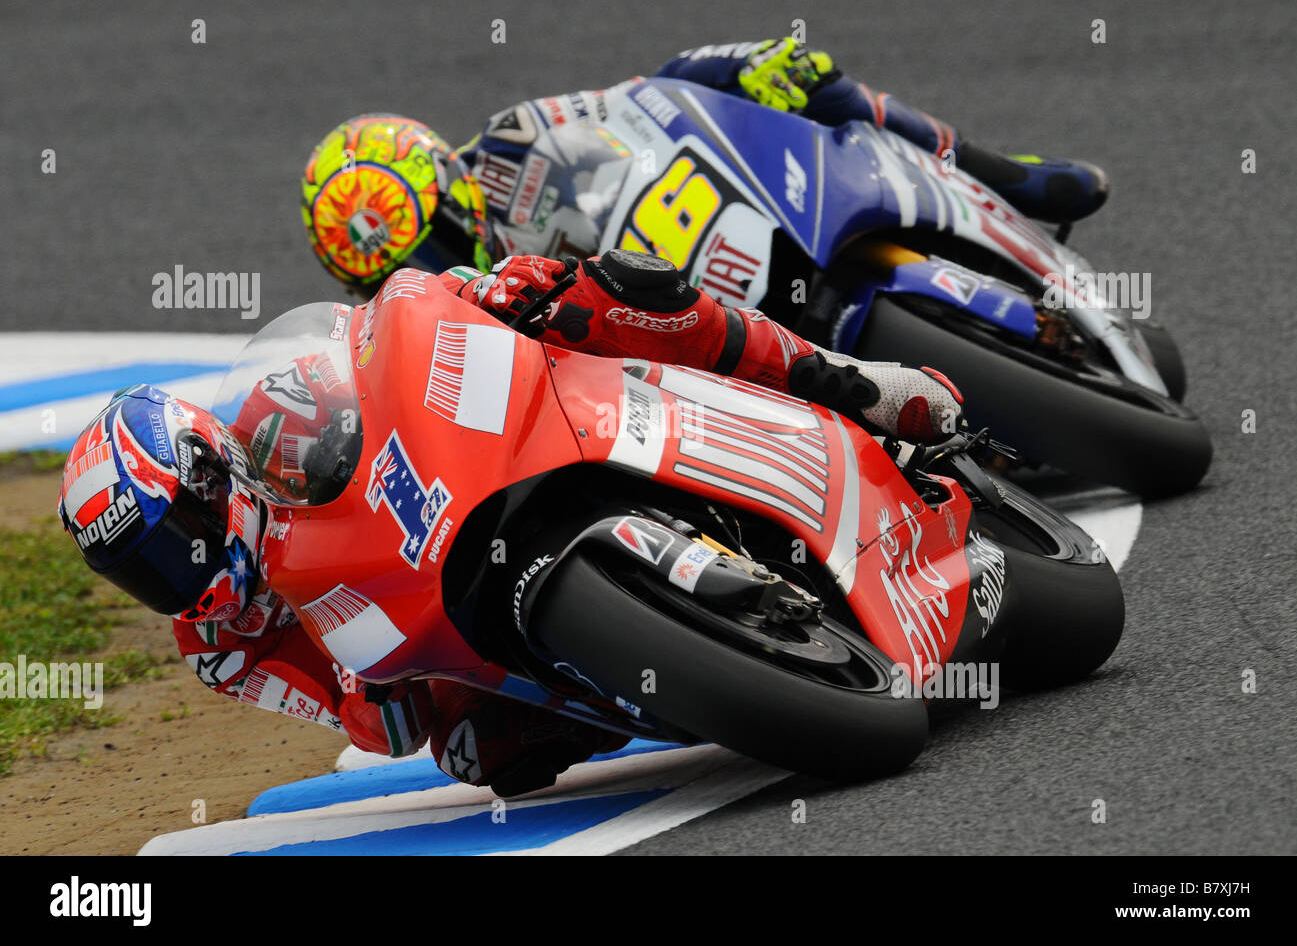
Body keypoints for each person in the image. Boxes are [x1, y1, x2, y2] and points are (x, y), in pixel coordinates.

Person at [57, 249, 962, 796]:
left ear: (210, 472)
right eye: (145, 570)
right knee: (473, 752)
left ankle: (845, 382)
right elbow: (362, 718)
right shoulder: (219, 644)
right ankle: (692, 673)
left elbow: (364, 344)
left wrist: (479, 294)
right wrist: (376, 703)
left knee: (604, 291)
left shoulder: (270, 413)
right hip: (432, 628)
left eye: (173, 537)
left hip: (467, 468)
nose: (177, 574)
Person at [301, 37, 1109, 299]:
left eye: (434, 236)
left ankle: (1006, 179)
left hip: (700, 231)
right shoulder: (418, 323)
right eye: (407, 268)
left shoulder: (513, 142)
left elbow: (638, 99)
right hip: (665, 365)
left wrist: (733, 70)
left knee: (802, 75)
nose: (437, 263)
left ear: (449, 183)